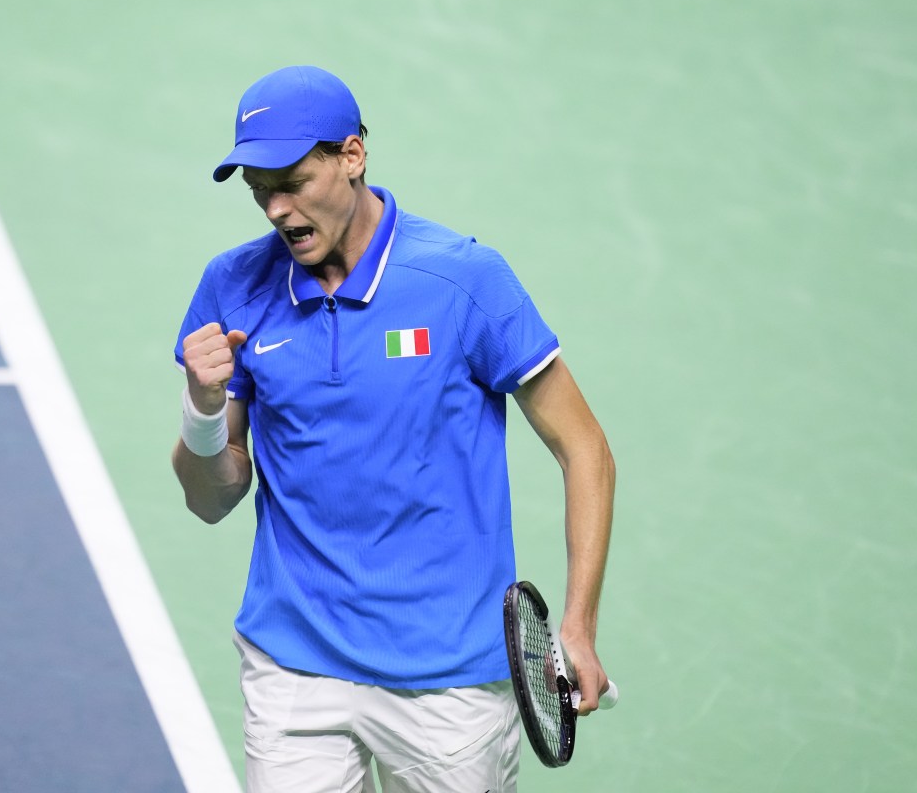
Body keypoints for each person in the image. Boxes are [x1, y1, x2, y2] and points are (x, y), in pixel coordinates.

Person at [171, 65, 615, 793]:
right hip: (294, 664)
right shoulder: (234, 287)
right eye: (260, 191)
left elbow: (585, 448)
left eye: (292, 181)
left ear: (352, 156)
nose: (278, 209)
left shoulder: (463, 280)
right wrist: (203, 406)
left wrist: (576, 627)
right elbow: (210, 497)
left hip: (449, 682)